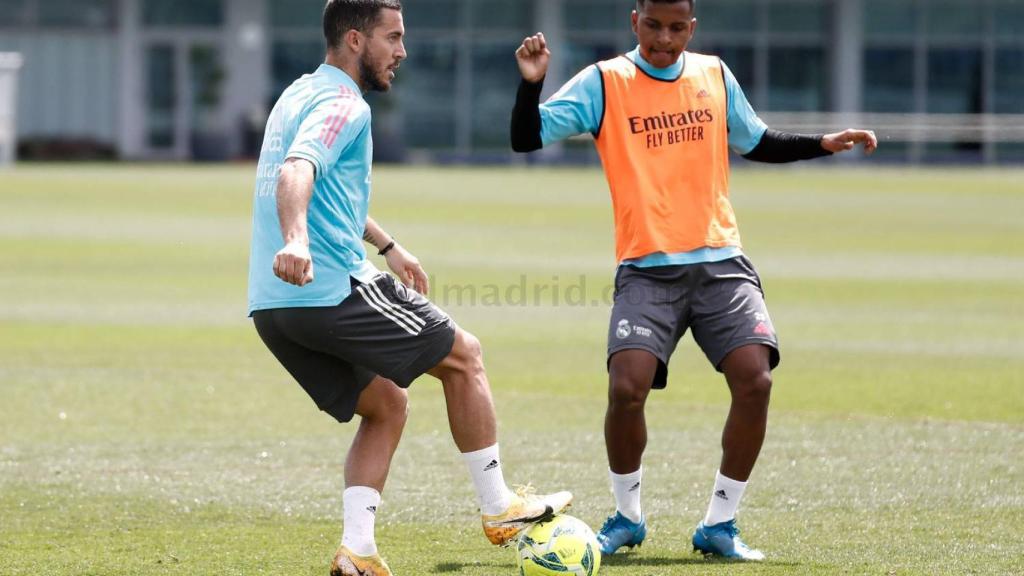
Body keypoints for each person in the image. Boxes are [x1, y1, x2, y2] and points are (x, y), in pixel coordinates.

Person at [511, 0, 876, 562]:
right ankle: (627, 517)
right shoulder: (605, 82)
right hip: (646, 268)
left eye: (677, 28)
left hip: (721, 262)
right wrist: (530, 85)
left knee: (755, 379)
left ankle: (720, 524)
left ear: (692, 28)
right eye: (654, 25)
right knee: (626, 388)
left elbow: (754, 140)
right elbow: (526, 137)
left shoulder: (713, 73)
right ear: (635, 22)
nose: (664, 38)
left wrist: (820, 144)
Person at [247, 2, 571, 575]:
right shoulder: (344, 104)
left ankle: (357, 551)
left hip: (275, 308)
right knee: (464, 357)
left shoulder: (297, 94)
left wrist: (388, 244)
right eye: (392, 37)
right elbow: (297, 170)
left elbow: (323, 188)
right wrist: (297, 241)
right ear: (354, 39)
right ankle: (499, 508)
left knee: (388, 404)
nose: (402, 51)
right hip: (329, 288)